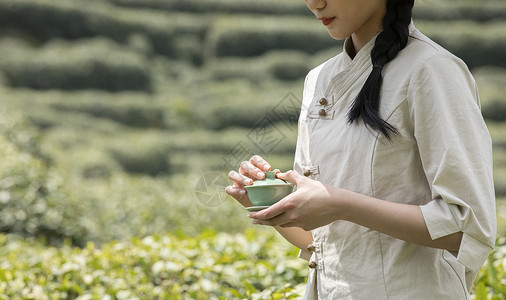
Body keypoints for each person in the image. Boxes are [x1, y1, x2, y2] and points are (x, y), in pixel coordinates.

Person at [225, 0, 497, 298]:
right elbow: (321, 242)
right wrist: (267, 203)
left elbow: (468, 227)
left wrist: (340, 204)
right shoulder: (318, 80)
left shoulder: (432, 70)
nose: (315, 3)